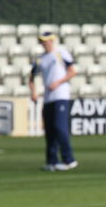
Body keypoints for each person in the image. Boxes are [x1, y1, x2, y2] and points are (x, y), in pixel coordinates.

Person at [29, 32, 77, 172]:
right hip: (48, 98)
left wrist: (58, 82)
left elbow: (72, 71)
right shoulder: (40, 59)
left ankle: (69, 160)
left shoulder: (61, 54)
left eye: (46, 41)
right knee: (49, 129)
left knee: (59, 127)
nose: (44, 43)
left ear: (52, 40)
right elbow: (31, 78)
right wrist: (34, 91)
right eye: (42, 41)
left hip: (60, 96)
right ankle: (52, 161)